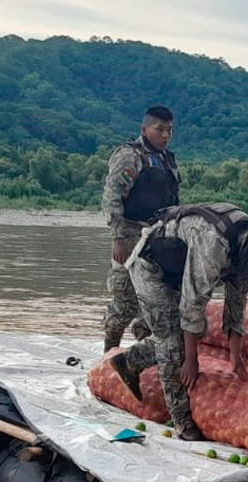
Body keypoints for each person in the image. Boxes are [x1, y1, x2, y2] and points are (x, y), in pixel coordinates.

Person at [108, 203, 248, 441]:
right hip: (150, 269)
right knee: (172, 344)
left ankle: (129, 361)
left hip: (176, 272)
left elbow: (236, 306)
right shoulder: (213, 242)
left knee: (193, 331)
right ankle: (181, 421)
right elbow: (191, 307)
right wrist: (191, 361)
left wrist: (236, 357)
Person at [101, 105, 181, 351]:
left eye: (169, 130)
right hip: (131, 237)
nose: (165, 135)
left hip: (159, 239)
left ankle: (144, 357)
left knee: (157, 301)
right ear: (145, 129)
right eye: (160, 129)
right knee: (124, 303)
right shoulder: (130, 156)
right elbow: (111, 197)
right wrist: (118, 238)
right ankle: (107, 354)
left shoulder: (167, 159)